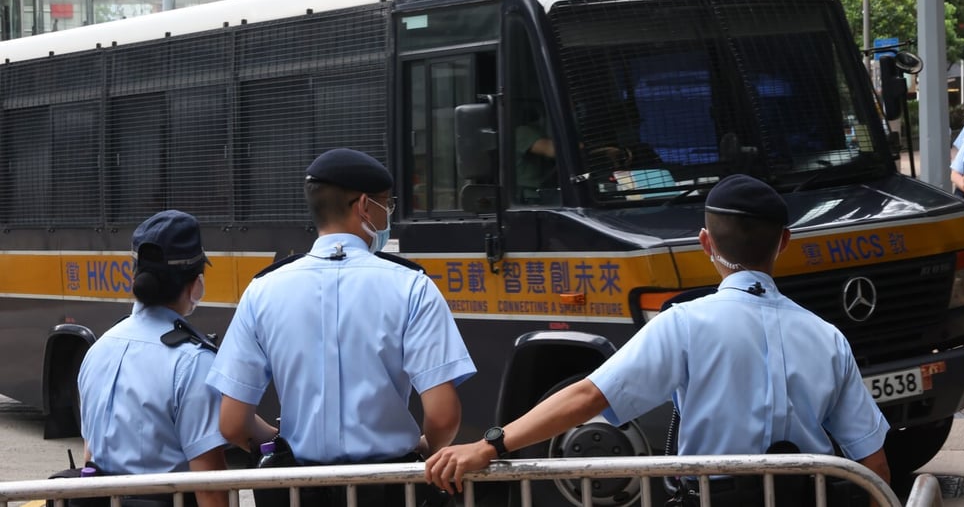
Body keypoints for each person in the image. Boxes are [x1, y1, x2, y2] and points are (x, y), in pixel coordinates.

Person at [425, 174, 891, 506]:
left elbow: (588, 397)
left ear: (706, 243)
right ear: (785, 241)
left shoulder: (685, 323)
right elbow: (873, 464)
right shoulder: (828, 337)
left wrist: (489, 445)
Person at [207, 148, 477, 505]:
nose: (388, 214)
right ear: (365, 207)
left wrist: (281, 441)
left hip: (299, 490)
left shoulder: (263, 290)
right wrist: (427, 448)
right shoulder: (412, 286)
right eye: (387, 205)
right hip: (391, 490)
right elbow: (443, 415)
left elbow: (232, 423)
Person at [77, 210, 227, 507]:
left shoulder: (99, 348)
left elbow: (89, 456)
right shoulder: (192, 362)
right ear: (195, 283)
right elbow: (210, 489)